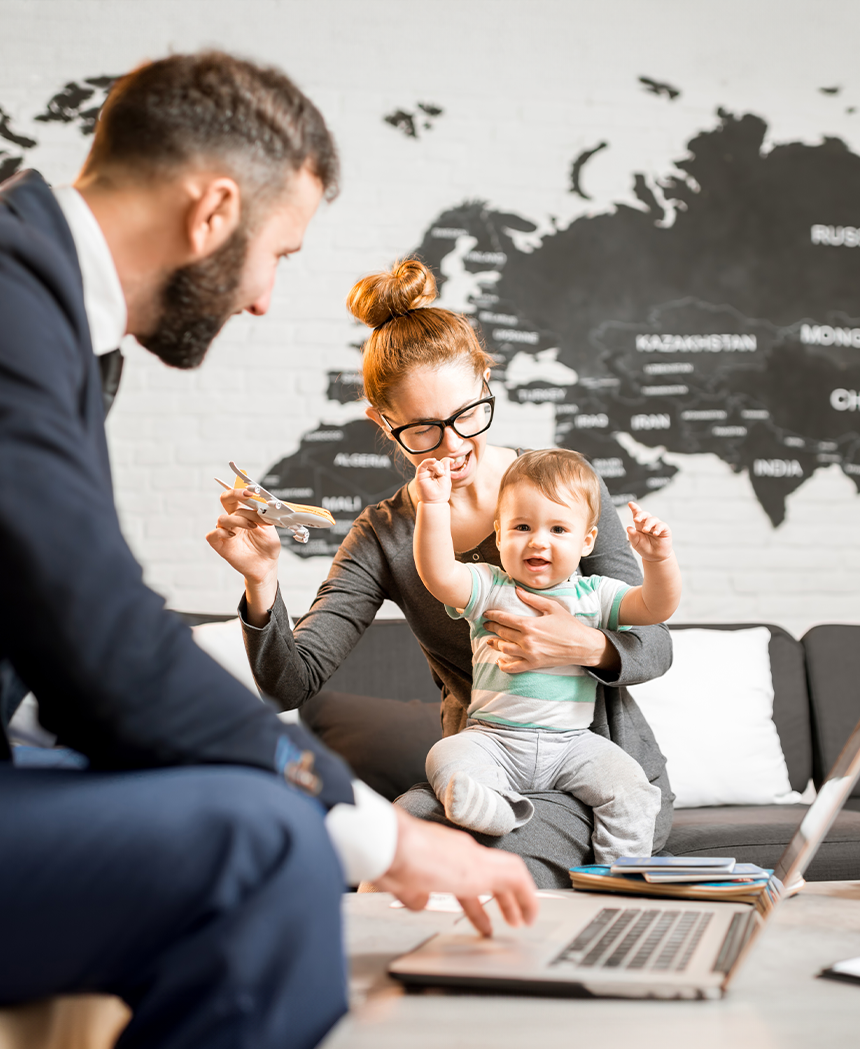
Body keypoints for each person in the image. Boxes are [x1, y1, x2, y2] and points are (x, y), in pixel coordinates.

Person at [0, 52, 537, 1049]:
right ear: (212, 214)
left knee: (281, 812)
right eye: (279, 254)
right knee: (268, 850)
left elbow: (78, 632)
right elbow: (96, 632)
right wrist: (373, 830)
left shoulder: (15, 296)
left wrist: (327, 801)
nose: (260, 301)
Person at [208, 258, 676, 888]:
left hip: (597, 771)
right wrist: (261, 581)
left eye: (466, 416)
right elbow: (290, 684)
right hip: (484, 764)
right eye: (423, 430)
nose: (453, 446)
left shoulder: (565, 489)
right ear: (383, 422)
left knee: (492, 867)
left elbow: (654, 643)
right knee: (387, 848)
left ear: (486, 382)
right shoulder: (385, 535)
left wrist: (583, 643)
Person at [414, 447, 681, 860]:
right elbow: (438, 574)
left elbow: (654, 608)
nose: (538, 540)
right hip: (494, 740)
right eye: (522, 526)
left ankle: (623, 872)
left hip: (573, 745)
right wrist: (433, 505)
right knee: (445, 754)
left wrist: (658, 560)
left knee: (632, 787)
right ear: (499, 535)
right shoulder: (489, 586)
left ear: (586, 541)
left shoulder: (594, 596)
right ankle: (493, 808)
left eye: (558, 529)